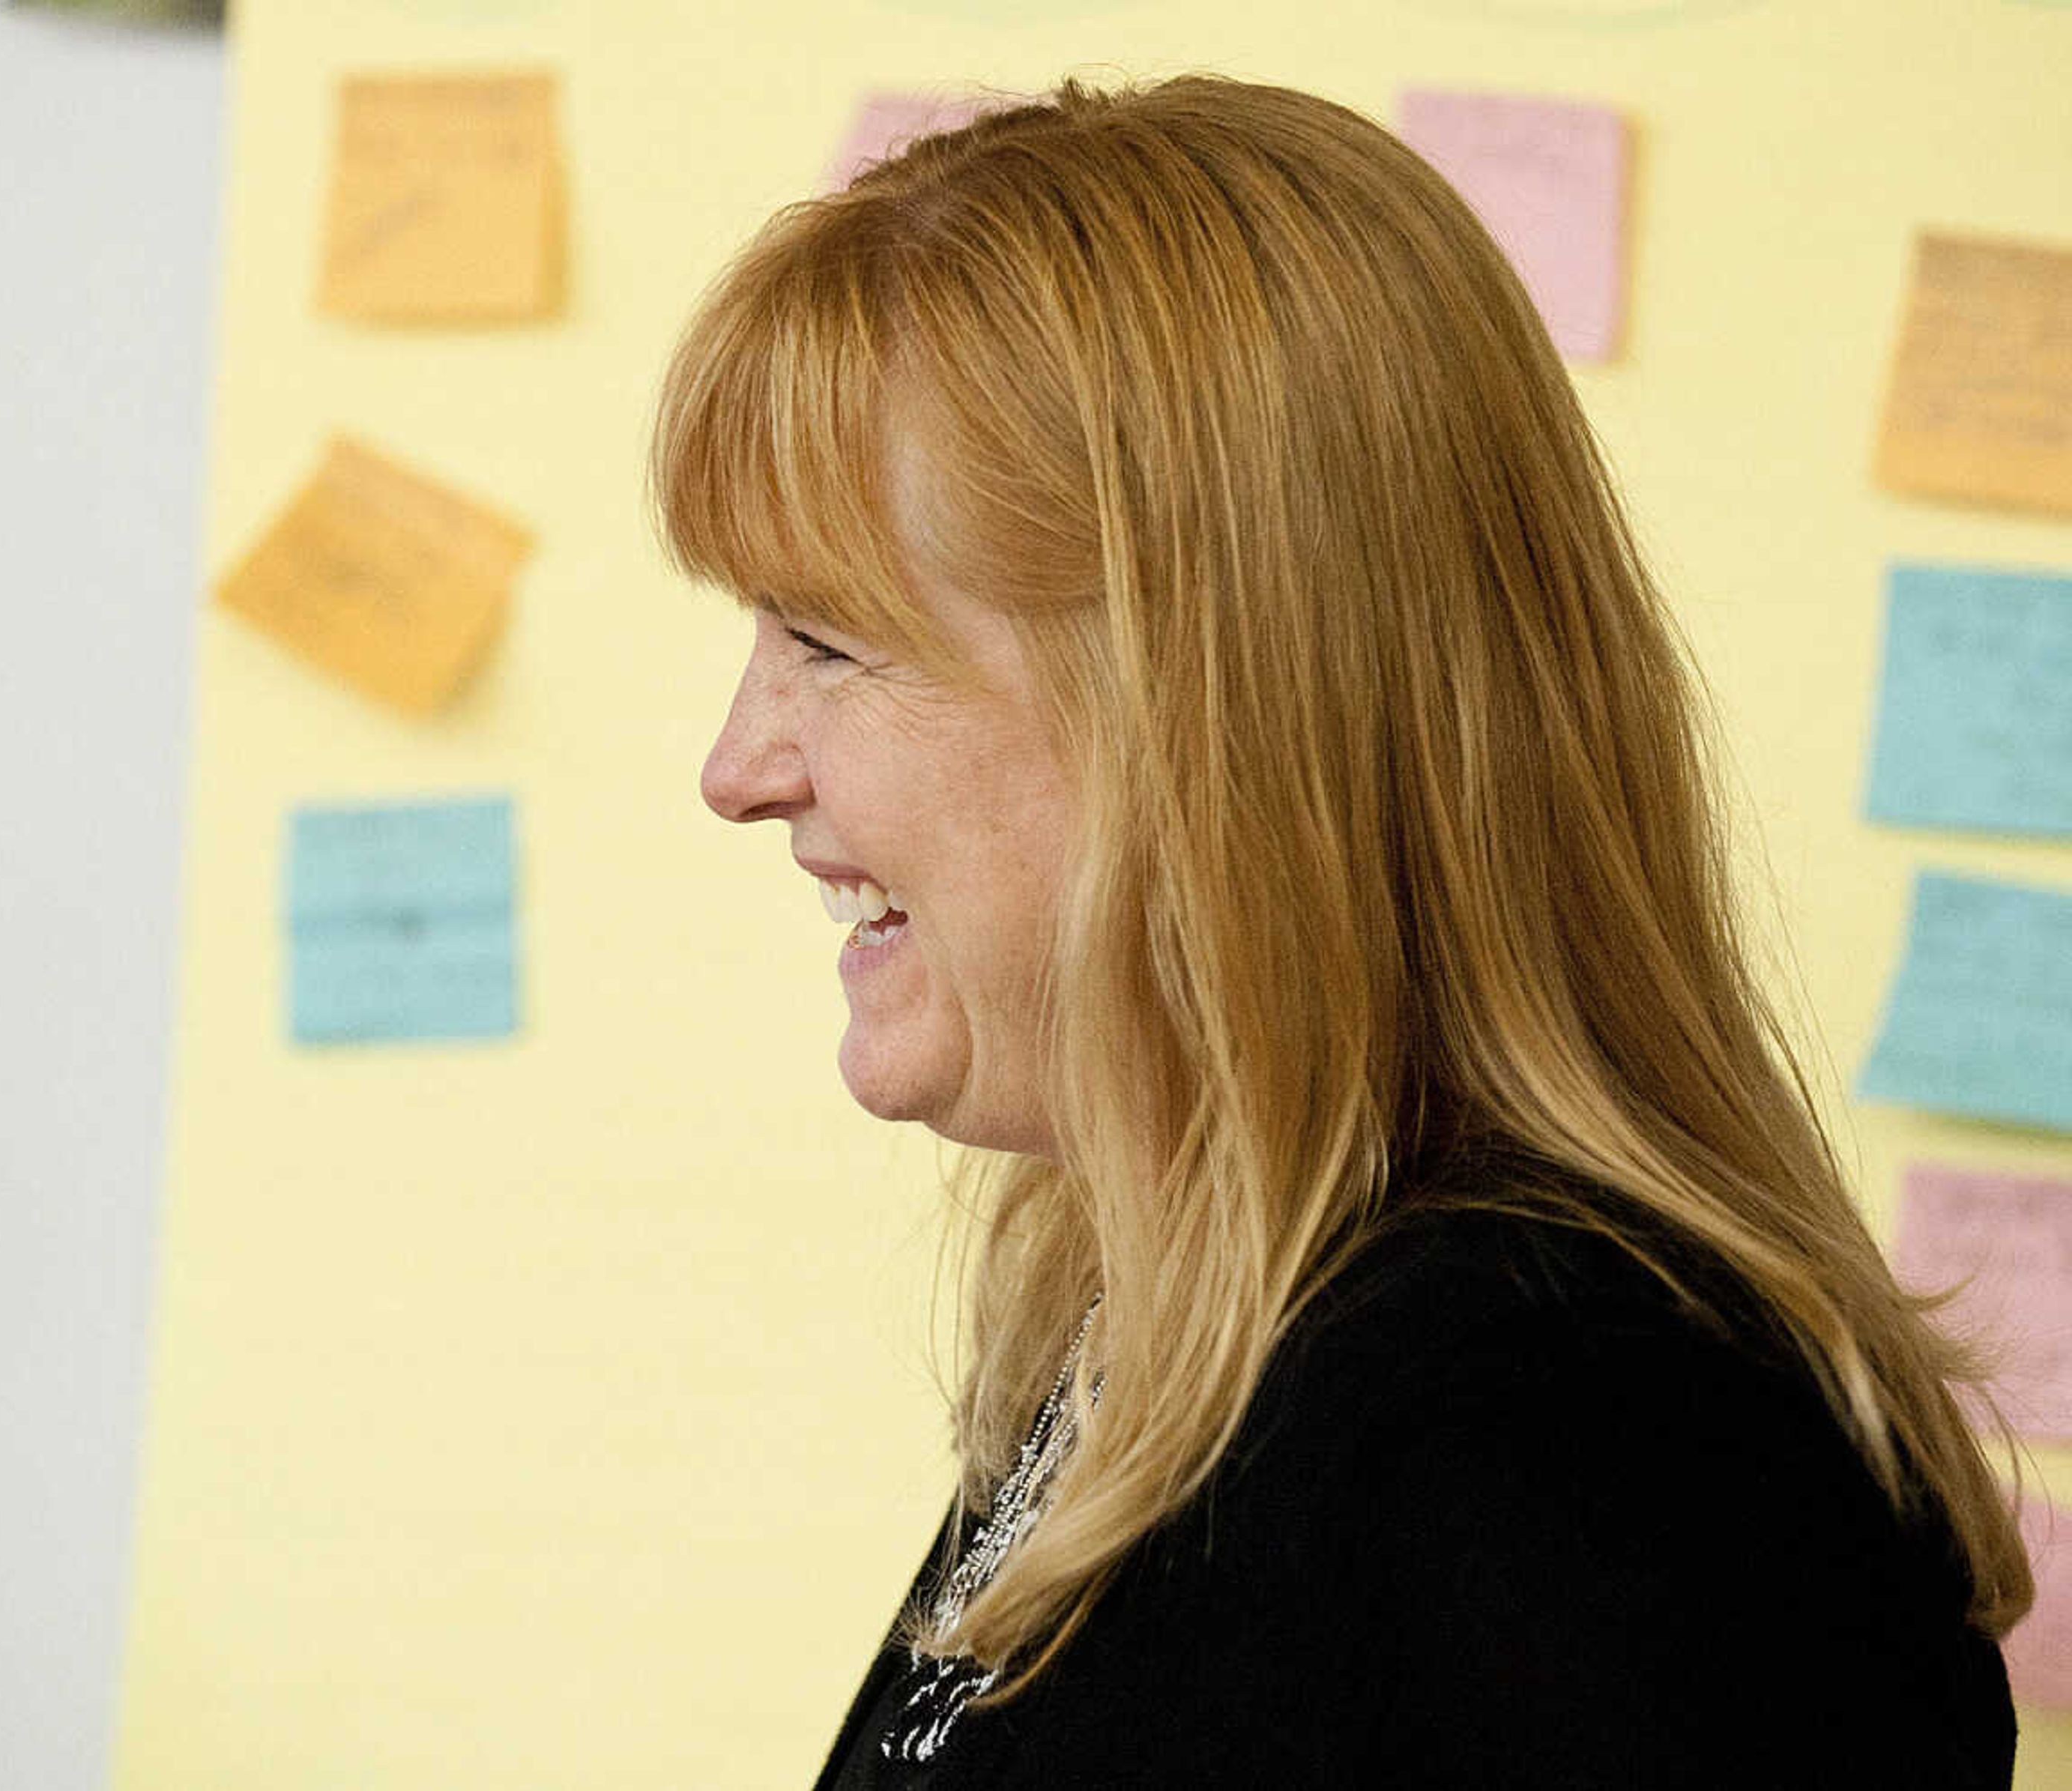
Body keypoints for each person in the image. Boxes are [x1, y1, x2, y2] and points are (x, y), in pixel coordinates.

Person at [650, 74, 2026, 1787]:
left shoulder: (1568, 1436)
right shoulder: (1172, 1323)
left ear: (1208, 711)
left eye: (829, 644)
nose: (736, 768)